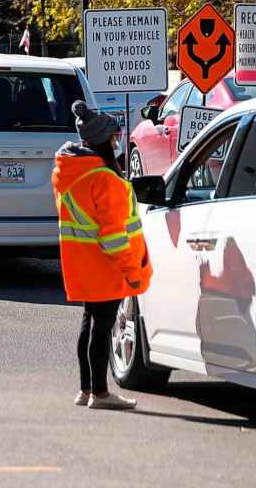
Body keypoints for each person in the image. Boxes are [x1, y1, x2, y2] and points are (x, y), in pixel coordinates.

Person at [52, 101, 153, 410]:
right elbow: (113, 237)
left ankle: (85, 390)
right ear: (103, 140)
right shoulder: (105, 180)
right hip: (106, 268)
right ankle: (101, 393)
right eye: (114, 138)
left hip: (81, 265)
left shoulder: (67, 173)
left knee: (89, 324)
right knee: (103, 329)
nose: (117, 142)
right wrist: (132, 271)